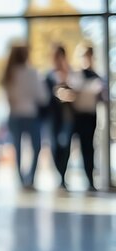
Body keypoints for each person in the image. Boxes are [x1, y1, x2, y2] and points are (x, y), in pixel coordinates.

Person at [2, 45, 48, 190]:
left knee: (17, 148)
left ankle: (22, 179)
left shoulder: (9, 74)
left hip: (15, 115)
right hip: (30, 115)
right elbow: (43, 97)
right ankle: (30, 178)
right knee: (36, 146)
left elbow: (9, 98)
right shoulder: (32, 73)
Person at [70, 46, 104, 191]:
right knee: (68, 147)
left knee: (89, 147)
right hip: (76, 116)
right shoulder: (76, 75)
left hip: (90, 116)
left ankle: (90, 179)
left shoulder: (96, 76)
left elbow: (102, 97)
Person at [43, 45, 76, 190]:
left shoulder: (71, 74)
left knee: (66, 146)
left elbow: (77, 90)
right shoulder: (49, 76)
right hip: (53, 117)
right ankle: (60, 175)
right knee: (55, 146)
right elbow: (44, 96)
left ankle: (63, 176)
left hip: (67, 116)